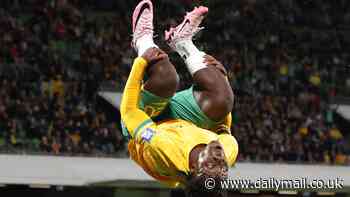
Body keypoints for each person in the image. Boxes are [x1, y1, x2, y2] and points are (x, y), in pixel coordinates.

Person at [120, 0, 238, 196]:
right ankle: (182, 42)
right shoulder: (228, 151)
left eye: (211, 166)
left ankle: (141, 40)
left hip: (147, 122)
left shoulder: (163, 149)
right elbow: (222, 127)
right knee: (223, 100)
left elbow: (129, 112)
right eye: (224, 171)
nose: (220, 160)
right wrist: (221, 78)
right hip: (184, 122)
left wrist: (140, 62)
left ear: (193, 169)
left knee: (167, 79)